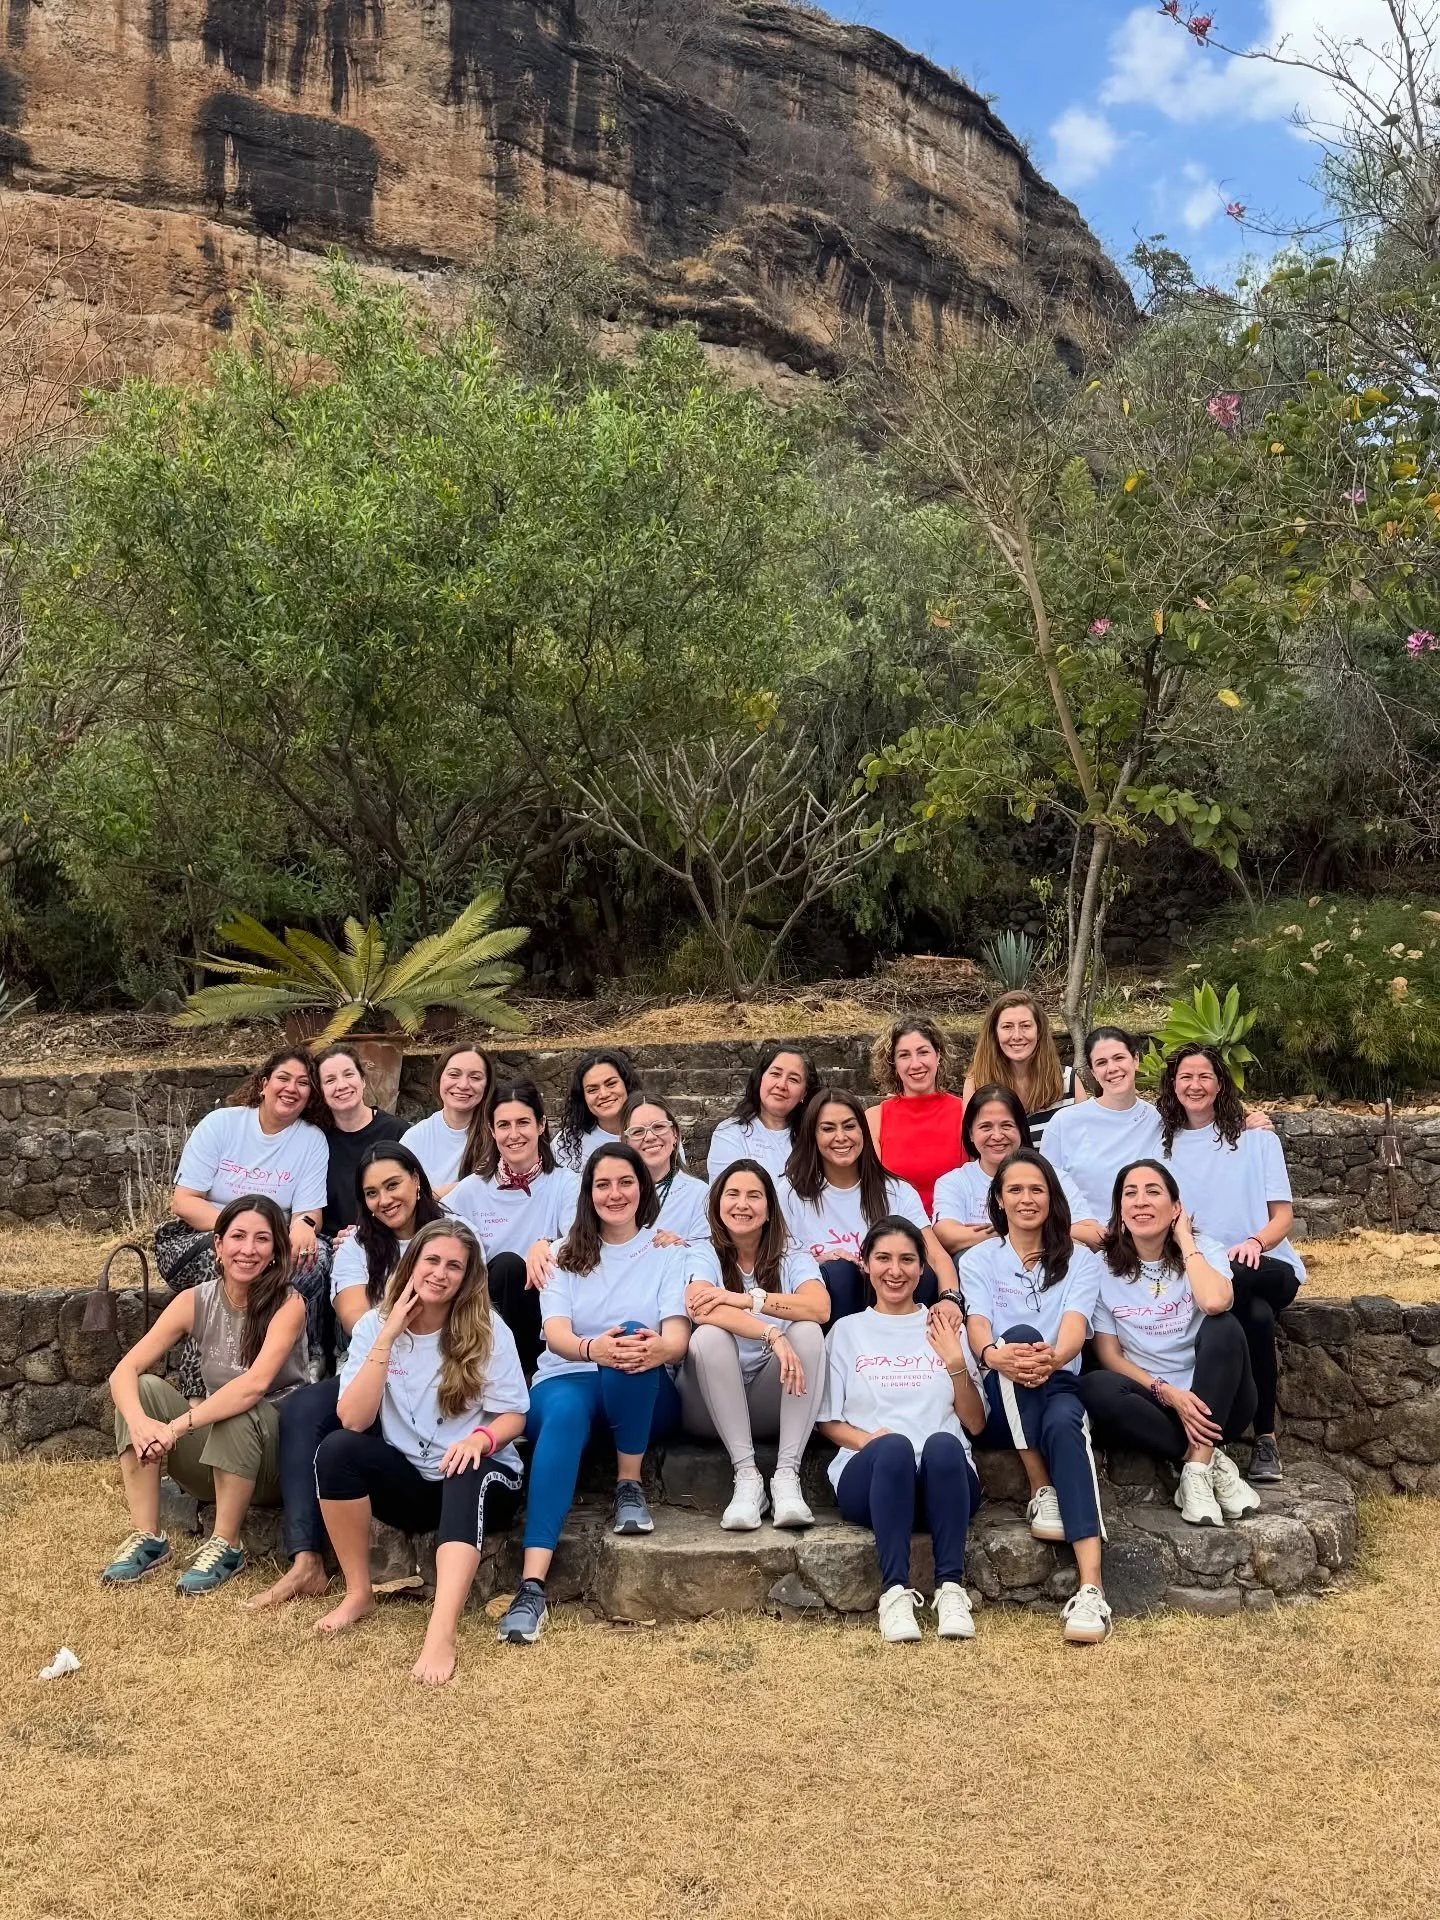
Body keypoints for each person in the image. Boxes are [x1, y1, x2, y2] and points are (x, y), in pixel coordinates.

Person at [313, 1221, 528, 1685]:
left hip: (482, 1479)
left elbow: (514, 1416)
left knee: (466, 1467)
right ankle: (358, 1593)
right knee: (336, 1451)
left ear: (468, 1277)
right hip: (414, 1481)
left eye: (455, 1266)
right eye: (432, 1261)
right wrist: (387, 1336)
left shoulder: (487, 1328)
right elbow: (353, 1418)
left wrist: (479, 1440)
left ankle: (441, 1630)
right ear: (412, 1265)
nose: (441, 1273)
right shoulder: (376, 1326)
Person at [495, 1146, 695, 1646]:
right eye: (602, 1184)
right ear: (587, 1194)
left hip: (644, 1389)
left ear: (642, 1189)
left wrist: (642, 1348)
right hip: (567, 1378)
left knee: (632, 1335)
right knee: (562, 1412)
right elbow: (556, 1333)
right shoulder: (561, 1254)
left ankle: (629, 1485)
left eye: (625, 1182)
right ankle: (532, 1585)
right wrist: (595, 1349)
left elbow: (677, 1338)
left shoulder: (668, 1251)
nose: (614, 1194)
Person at [247, 1143, 449, 1611]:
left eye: (393, 1184)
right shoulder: (358, 1245)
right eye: (372, 1192)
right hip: (373, 1368)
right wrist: (405, 1321)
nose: (385, 1200)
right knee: (303, 1409)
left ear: (417, 1181)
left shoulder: (453, 1234)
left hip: (437, 1375)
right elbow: (354, 1316)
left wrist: (399, 1321)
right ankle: (305, 1559)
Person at [102, 1195, 308, 1595]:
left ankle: (226, 1544)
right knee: (142, 1389)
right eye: (238, 1236)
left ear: (276, 1250)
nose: (248, 1249)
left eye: (262, 1239)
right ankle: (147, 1536)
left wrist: (175, 1428)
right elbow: (123, 1371)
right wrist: (144, 1426)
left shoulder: (289, 1304)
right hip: (215, 1458)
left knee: (236, 1403)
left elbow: (253, 1386)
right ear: (218, 1244)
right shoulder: (194, 1300)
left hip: (270, 1462)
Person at [959, 1148, 1111, 1645]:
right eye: (1015, 1190)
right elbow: (978, 1321)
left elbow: (1074, 1329)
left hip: (1057, 1380)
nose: (1026, 1199)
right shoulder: (980, 1258)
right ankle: (1039, 1485)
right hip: (999, 1395)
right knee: (1016, 1333)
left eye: (1036, 1189)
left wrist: (1051, 1359)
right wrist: (991, 1353)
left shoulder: (1080, 1258)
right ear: (999, 1201)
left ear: (1052, 1198)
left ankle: (1092, 1590)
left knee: (1067, 1421)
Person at [818, 1217, 989, 1642]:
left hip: (942, 1485)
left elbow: (975, 1422)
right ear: (865, 1264)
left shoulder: (946, 1327)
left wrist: (954, 1361)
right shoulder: (847, 1331)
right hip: (874, 1479)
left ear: (922, 1270)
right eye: (884, 1259)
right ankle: (894, 1593)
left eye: (908, 1260)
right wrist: (867, 1441)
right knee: (893, 1448)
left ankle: (950, 1589)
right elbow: (826, 1420)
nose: (895, 1270)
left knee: (945, 1444)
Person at [1080, 1159, 1261, 1526]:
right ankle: (1207, 1461)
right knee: (1095, 1386)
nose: (1141, 1201)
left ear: (1176, 1207)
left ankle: (1196, 1466)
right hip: (1155, 1405)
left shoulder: (1204, 1249)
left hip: (1220, 1404)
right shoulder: (1101, 1268)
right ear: (1120, 1210)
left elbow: (1214, 1302)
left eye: (1153, 1192)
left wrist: (1185, 1240)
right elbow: (1108, 1355)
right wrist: (1168, 1393)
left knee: (1223, 1326)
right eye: (1129, 1194)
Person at [1159, 1043, 1304, 1485]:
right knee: (1255, 1318)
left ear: (1220, 1084)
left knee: (1243, 1280)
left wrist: (1255, 1243)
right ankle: (1265, 1439)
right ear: (1173, 1085)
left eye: (1205, 1076)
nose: (1195, 1084)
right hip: (1205, 1271)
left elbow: (1283, 1217)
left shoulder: (1256, 1137)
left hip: (1264, 1265)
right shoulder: (1161, 1143)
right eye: (1186, 1076)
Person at [159, 1049, 331, 1394]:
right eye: (283, 1078)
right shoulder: (222, 1124)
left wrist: (303, 1226)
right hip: (200, 1237)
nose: (291, 1088)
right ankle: (199, 1390)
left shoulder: (311, 1139)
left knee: (315, 1258)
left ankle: (302, 1366)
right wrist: (246, 1231)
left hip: (271, 1243)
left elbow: (310, 1213)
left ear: (311, 1095)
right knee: (225, 1258)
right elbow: (184, 1202)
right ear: (264, 1084)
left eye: (303, 1083)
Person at [679, 1159, 830, 1530]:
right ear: (717, 1204)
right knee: (709, 1335)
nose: (742, 1204)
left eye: (754, 1196)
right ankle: (747, 1478)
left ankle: (786, 1478)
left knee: (809, 1331)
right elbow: (700, 1306)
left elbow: (819, 1306)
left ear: (769, 1210)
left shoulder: (792, 1255)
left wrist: (749, 1300)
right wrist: (771, 1333)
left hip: (770, 1398)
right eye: (732, 1194)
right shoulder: (703, 1252)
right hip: (707, 1405)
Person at [778, 1089, 957, 1322]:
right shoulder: (790, 1194)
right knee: (840, 1271)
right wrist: (820, 1260)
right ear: (812, 1135)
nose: (841, 1136)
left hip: (889, 1300)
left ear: (864, 1131)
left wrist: (950, 1298)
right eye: (828, 1128)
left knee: (921, 1273)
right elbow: (778, 1263)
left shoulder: (896, 1191)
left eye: (849, 1126)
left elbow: (936, 1256)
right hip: (827, 1312)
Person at [446, 1080, 580, 1376]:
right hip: (486, 1311)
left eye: (523, 1122)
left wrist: (545, 1243)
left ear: (541, 1125)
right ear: (492, 1131)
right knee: (503, 1267)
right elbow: (433, 1228)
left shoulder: (565, 1184)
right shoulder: (471, 1189)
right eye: (504, 1125)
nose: (514, 1134)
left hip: (544, 1308)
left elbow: (579, 1240)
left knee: (512, 1268)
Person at [932, 1085, 1101, 1255]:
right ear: (970, 1133)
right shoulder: (954, 1182)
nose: (997, 1136)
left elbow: (1093, 1234)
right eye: (986, 1127)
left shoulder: (1053, 1177)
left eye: (1006, 1125)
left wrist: (1026, 1230)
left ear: (1021, 1129)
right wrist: (1034, 1229)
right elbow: (946, 1235)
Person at [1039, 1028, 1165, 1223]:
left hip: (1147, 1237)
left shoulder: (1158, 1120)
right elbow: (1047, 1190)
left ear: (1136, 1060)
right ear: (1093, 1072)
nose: (1112, 1068)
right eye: (1101, 1063)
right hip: (1082, 1239)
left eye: (1119, 1058)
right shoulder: (1064, 1123)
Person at [864, 1017, 967, 1216]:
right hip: (898, 1233)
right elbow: (872, 1191)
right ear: (893, 1063)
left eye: (923, 1052)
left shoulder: (966, 1112)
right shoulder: (875, 1119)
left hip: (955, 1230)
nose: (915, 1064)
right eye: (904, 1055)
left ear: (938, 1055)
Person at [963, 991, 1085, 1145]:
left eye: (1025, 1026)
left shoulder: (1069, 1081)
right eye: (1007, 1026)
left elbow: (1084, 1147)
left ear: (1039, 1030)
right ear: (995, 1033)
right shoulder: (977, 1083)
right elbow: (974, 1148)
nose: (1017, 1035)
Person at [314, 1044, 405, 1236]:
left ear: (362, 1080)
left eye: (348, 1074)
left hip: (386, 1237)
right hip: (330, 1243)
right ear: (320, 1091)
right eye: (330, 1080)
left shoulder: (397, 1132)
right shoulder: (315, 1139)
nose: (342, 1085)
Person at [705, 1045, 820, 1180]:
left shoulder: (816, 1137)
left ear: (804, 1093)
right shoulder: (730, 1133)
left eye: (793, 1079)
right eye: (775, 1074)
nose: (782, 1085)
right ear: (760, 1078)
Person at [399, 1046, 494, 1197]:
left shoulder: (499, 1133)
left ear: (487, 1086)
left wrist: (433, 1196)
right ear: (438, 1079)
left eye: (475, 1077)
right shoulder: (414, 1139)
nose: (463, 1085)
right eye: (454, 1074)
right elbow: (405, 1200)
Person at [621, 1094, 709, 1241]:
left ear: (674, 1134)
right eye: (637, 1131)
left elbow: (707, 1254)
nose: (649, 1137)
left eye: (659, 1127)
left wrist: (681, 1246)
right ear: (625, 1142)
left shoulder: (699, 1195)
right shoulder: (614, 1194)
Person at [552, 1050, 640, 1172]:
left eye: (611, 1084)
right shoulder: (567, 1143)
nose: (603, 1094)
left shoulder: (653, 1133)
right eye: (592, 1090)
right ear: (582, 1097)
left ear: (627, 1084)